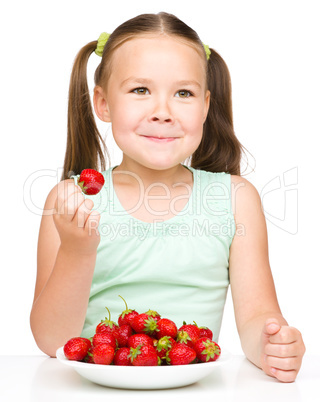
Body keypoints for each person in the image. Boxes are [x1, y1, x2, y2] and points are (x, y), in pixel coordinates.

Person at [30, 12, 305, 382]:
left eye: (183, 93)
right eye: (140, 90)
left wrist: (273, 345)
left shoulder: (236, 199)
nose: (162, 112)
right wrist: (76, 251)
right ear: (103, 103)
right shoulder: (71, 200)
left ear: (206, 106)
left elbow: (257, 317)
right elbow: (53, 340)